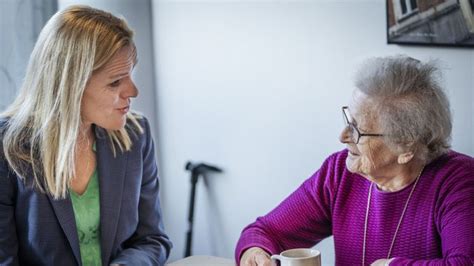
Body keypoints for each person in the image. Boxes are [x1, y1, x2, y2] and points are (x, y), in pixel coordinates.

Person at [235, 56, 474, 266]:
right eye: (348, 119)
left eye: (358, 130)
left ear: (406, 147)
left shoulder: (460, 182)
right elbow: (265, 231)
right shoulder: (339, 173)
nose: (342, 136)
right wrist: (256, 251)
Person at [0, 5, 172, 265]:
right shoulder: (7, 147)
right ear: (68, 86)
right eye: (115, 82)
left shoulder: (137, 136)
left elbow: (152, 239)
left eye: (130, 74)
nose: (133, 91)